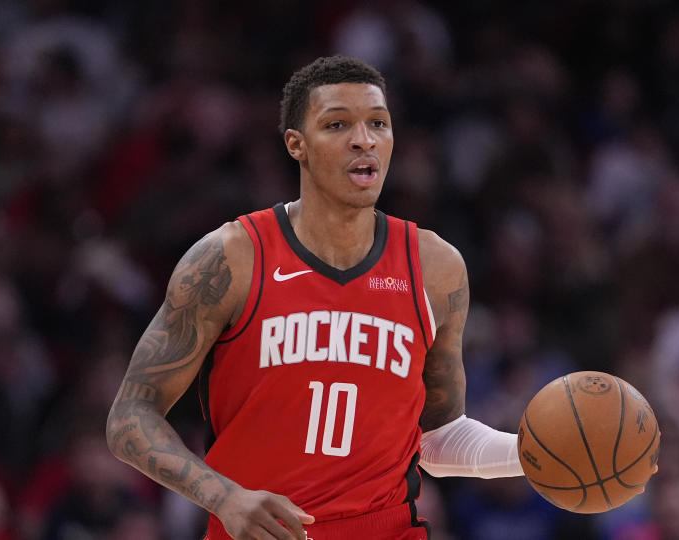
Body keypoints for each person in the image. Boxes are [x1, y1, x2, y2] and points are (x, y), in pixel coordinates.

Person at [106, 55, 526, 540]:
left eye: (378, 123)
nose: (363, 139)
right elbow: (129, 416)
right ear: (296, 145)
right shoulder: (231, 258)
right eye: (337, 124)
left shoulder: (435, 267)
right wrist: (222, 496)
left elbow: (437, 437)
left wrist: (534, 456)